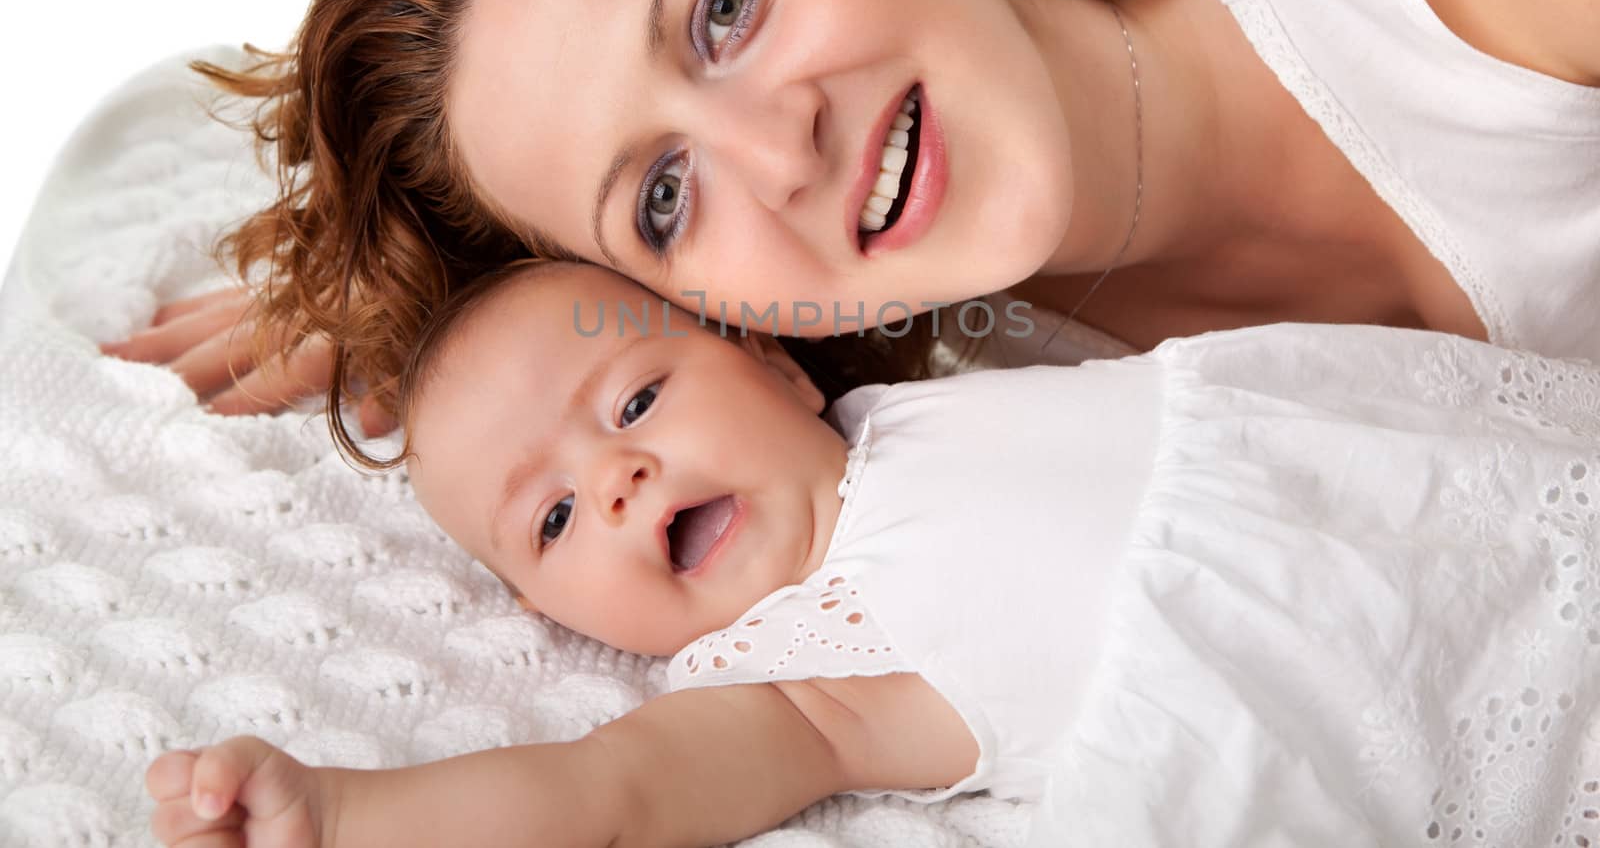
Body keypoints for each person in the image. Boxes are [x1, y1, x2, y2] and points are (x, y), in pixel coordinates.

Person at [103, 0, 1600, 464]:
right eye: (663, 200)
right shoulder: (956, 382)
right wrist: (424, 313)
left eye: (728, 3)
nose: (779, 152)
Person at [145, 260, 1600, 846]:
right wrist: (339, 817)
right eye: (552, 520)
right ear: (548, 610)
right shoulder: (808, 679)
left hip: (1448, 486)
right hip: (1434, 710)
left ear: (776, 365)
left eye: (637, 399)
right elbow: (604, 795)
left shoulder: (922, 386)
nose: (621, 475)